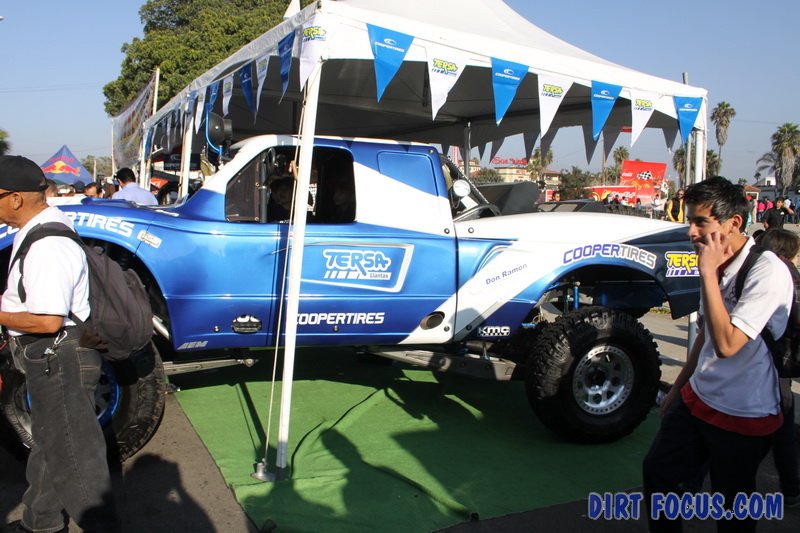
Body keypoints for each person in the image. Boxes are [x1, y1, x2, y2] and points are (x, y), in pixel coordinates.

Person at [642, 176, 792, 532]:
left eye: (701, 222)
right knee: (658, 473)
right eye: (689, 221)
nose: (691, 232)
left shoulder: (767, 270)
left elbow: (727, 345)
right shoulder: (717, 262)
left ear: (733, 223)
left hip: (744, 412)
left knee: (733, 508)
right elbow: (708, 334)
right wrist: (679, 388)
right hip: (699, 398)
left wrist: (707, 272)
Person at [0, 156, 120, 532]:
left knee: (75, 457)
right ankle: (42, 523)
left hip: (58, 355)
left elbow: (47, 320)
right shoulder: (40, 231)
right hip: (55, 355)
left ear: (15, 198)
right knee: (52, 445)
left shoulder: (47, 244)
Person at [758, 228, 800, 506]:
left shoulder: (768, 274)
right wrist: (785, 380)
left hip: (767, 367)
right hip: (773, 368)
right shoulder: (786, 277)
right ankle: (791, 489)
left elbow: (789, 334)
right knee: (781, 432)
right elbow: (789, 334)